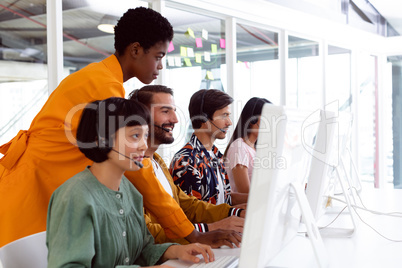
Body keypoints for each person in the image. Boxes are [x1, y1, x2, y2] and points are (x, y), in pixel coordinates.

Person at [0, 7, 191, 248]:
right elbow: (137, 167)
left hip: (34, 187)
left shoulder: (98, 76)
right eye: (159, 56)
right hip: (31, 193)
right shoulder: (105, 86)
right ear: (135, 50)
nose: (160, 66)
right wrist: (188, 232)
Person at [47, 97, 215, 267]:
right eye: (135, 136)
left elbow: (142, 249)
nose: (144, 145)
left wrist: (175, 251)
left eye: (146, 136)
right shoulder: (75, 197)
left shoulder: (129, 191)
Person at [127, 85, 244, 246]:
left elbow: (187, 205)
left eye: (174, 111)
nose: (175, 119)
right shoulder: (130, 168)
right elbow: (147, 232)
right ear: (140, 117)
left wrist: (235, 212)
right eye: (165, 111)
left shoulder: (157, 161)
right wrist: (208, 230)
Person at [170, 89, 248, 206]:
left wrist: (259, 199)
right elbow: (193, 214)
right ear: (204, 118)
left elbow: (226, 198)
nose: (229, 123)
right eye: (224, 116)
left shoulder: (216, 155)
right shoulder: (186, 161)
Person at [224, 97, 272, 193]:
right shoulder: (239, 147)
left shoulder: (256, 149)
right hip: (246, 207)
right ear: (252, 121)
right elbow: (245, 193)